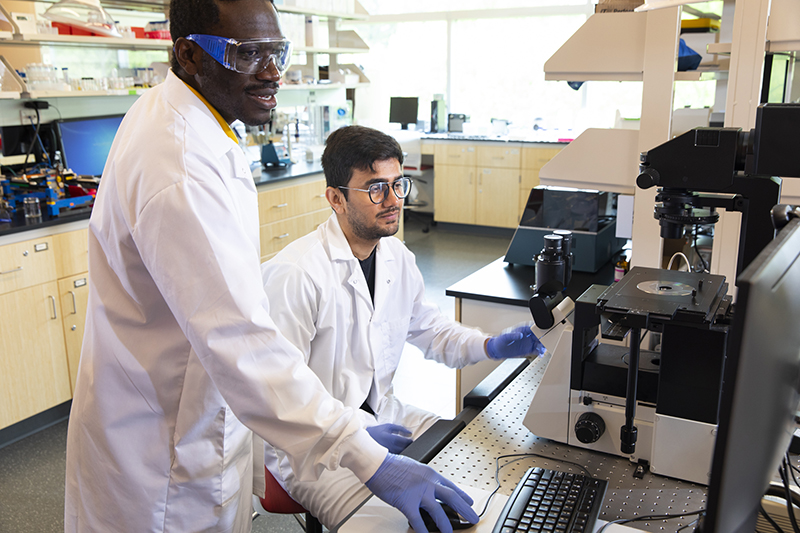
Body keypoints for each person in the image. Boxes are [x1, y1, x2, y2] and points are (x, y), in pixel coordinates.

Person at [63, 1, 479, 532]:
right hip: (160, 456)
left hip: (195, 424)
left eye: (276, 51)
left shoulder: (198, 121)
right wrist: (358, 451)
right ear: (189, 54)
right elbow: (241, 341)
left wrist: (347, 426)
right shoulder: (182, 162)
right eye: (247, 53)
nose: (272, 72)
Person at [260, 125, 546, 528]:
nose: (394, 200)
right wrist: (350, 440)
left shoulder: (395, 255)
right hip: (316, 448)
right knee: (387, 525)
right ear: (336, 199)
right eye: (376, 188)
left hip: (388, 416)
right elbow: (280, 397)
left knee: (484, 471)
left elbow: (430, 329)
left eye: (399, 184)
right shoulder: (295, 274)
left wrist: (491, 346)